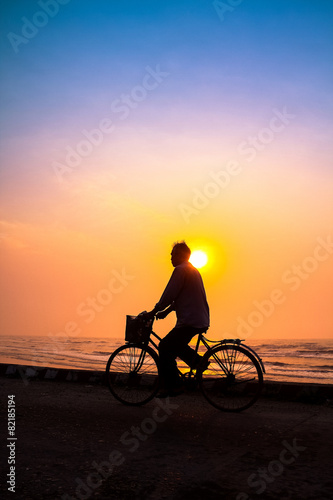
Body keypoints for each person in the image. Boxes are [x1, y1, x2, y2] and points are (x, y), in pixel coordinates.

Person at [145, 241, 210, 397]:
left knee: (164, 347)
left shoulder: (180, 270)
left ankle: (175, 386)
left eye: (173, 254)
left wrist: (154, 310)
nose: (171, 257)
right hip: (199, 318)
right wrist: (165, 312)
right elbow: (181, 296)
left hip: (190, 320)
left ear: (181, 255)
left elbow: (170, 294)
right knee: (176, 345)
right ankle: (199, 363)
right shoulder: (192, 270)